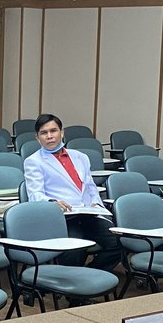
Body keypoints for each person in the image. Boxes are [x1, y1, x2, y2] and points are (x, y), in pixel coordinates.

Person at [23, 114, 121, 272]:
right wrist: (52, 203)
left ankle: (90, 276)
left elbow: (90, 187)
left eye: (53, 131)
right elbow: (35, 194)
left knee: (118, 243)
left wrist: (96, 203)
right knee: (75, 248)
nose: (49, 136)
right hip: (63, 216)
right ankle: (73, 290)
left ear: (62, 133)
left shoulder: (81, 157)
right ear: (37, 138)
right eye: (44, 133)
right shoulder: (33, 161)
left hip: (88, 213)